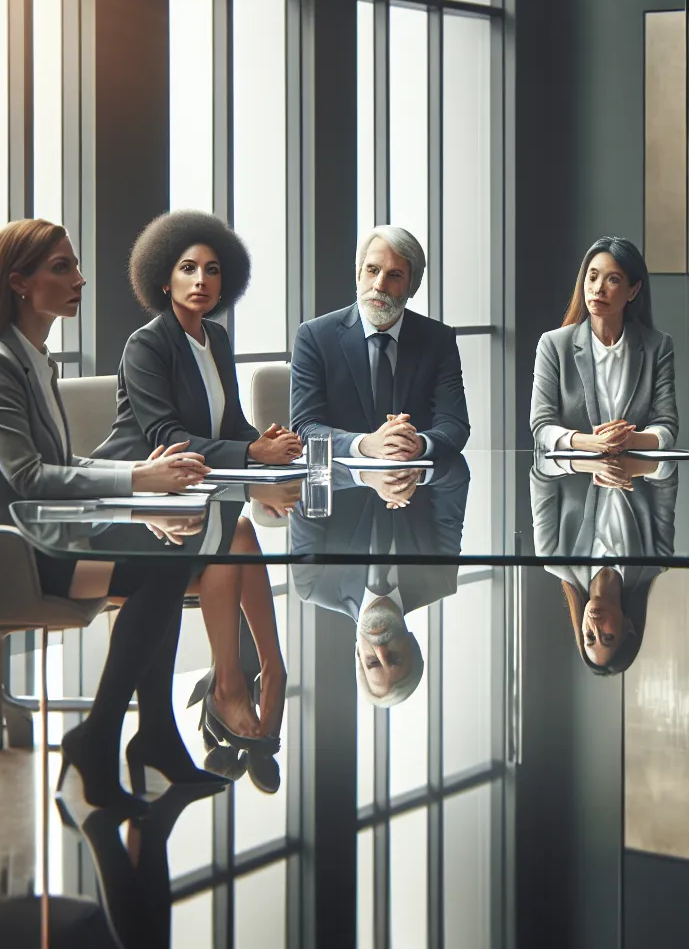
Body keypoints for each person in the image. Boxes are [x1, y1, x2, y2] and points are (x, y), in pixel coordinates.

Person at [0, 219, 218, 816]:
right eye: (62, 267)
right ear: (19, 282)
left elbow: (59, 464)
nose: (80, 279)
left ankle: (150, 735)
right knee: (161, 567)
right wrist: (138, 480)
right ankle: (102, 738)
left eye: (75, 265)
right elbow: (29, 478)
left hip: (33, 537)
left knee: (168, 561)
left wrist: (141, 474)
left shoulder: (35, 360)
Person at [91, 210, 295, 761]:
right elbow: (166, 436)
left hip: (192, 494)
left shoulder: (216, 339)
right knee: (234, 537)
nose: (201, 280)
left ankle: (263, 671)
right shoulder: (146, 345)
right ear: (164, 278)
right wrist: (251, 455)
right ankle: (235, 684)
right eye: (187, 268)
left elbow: (230, 427)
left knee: (239, 534)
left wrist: (269, 444)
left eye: (212, 270)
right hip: (137, 499)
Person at [288, 457, 472, 707]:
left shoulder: (314, 585)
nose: (381, 650)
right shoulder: (440, 579)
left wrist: (365, 475)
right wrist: (411, 473)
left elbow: (306, 481)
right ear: (411, 644)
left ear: (358, 653)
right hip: (413, 444)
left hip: (337, 441)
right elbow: (455, 474)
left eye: (372, 662)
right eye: (394, 658)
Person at [291, 225, 469, 461]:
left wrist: (419, 443)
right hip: (341, 480)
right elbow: (305, 426)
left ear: (412, 286)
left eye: (394, 275)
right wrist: (364, 444)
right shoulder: (314, 337)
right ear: (358, 274)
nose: (379, 285)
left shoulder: (438, 339)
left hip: (413, 478)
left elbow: (455, 424)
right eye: (372, 270)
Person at [531, 451, 676, 675]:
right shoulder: (658, 558)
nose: (595, 627)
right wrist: (627, 460)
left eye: (590, 637)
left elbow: (541, 472)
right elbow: (666, 478)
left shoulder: (551, 556)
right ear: (628, 626)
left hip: (572, 438)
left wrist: (590, 455)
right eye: (608, 636)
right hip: (636, 437)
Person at [530, 236, 678, 456]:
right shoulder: (553, 345)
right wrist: (589, 442)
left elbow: (667, 426)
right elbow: (541, 425)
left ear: (633, 290)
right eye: (592, 277)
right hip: (572, 473)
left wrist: (630, 440)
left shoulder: (657, 347)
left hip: (635, 473)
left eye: (613, 280)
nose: (598, 288)